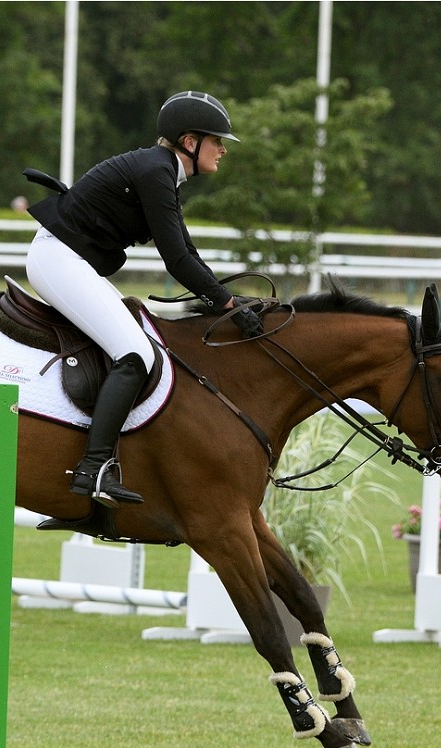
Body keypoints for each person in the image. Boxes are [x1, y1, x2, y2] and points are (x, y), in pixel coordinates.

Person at [23, 91, 263, 507]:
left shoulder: (162, 170)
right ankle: (93, 469)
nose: (223, 149)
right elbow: (176, 260)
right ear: (190, 142)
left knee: (140, 344)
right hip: (58, 260)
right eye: (216, 140)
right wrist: (226, 304)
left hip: (67, 259)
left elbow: (187, 251)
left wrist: (229, 299)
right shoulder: (156, 171)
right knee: (135, 354)